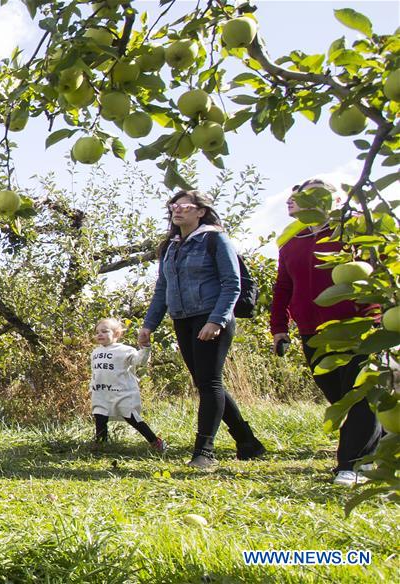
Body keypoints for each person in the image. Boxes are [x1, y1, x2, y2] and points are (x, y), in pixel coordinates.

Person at [139, 190, 266, 468]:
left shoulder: (215, 238)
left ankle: (204, 452)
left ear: (200, 211)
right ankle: (248, 442)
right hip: (182, 318)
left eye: (185, 205)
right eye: (174, 205)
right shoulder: (171, 246)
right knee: (206, 382)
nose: (178, 209)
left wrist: (217, 319)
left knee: (209, 382)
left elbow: (232, 283)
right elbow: (163, 288)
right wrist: (149, 323)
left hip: (210, 316)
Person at [270, 178, 381, 486]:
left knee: (359, 394)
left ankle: (352, 465)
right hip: (313, 331)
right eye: (292, 196)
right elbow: (283, 287)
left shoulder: (356, 230)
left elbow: (383, 269)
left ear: (329, 200)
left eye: (301, 196)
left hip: (359, 325)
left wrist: (382, 316)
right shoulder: (292, 241)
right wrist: (279, 327)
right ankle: (379, 445)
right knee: (339, 395)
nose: (291, 201)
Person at [89, 318, 167, 452]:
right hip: (101, 392)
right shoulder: (95, 352)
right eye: (97, 332)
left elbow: (140, 361)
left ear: (117, 334)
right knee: (100, 416)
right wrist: (91, 387)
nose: (99, 334)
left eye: (104, 331)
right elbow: (95, 372)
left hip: (122, 392)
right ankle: (100, 444)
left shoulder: (125, 350)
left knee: (131, 417)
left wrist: (146, 348)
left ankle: (155, 441)